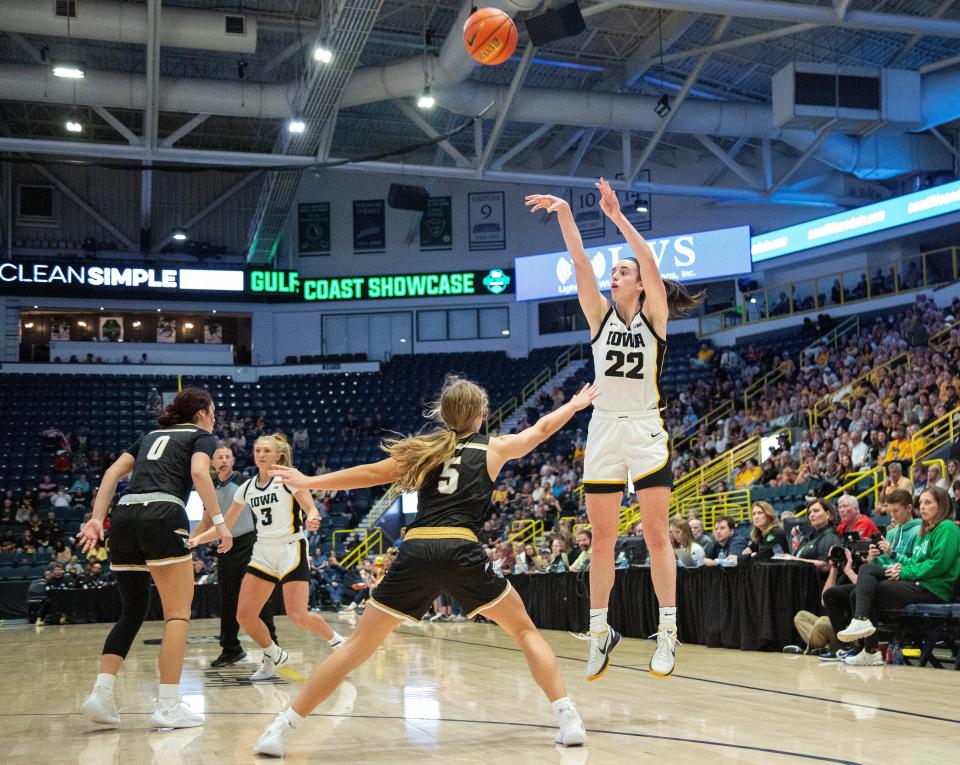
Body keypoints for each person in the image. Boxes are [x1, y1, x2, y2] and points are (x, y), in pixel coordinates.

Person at [251, 376, 598, 756]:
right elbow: (542, 428)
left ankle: (281, 729)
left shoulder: (425, 449)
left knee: (354, 648)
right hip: (461, 548)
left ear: (445, 414)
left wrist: (310, 480)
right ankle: (568, 720)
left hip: (416, 550)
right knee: (525, 631)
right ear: (482, 414)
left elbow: (368, 473)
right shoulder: (494, 447)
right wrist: (575, 405)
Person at [525, 178, 704, 681]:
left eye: (621, 272)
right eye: (615, 271)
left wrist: (617, 216)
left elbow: (649, 260)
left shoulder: (655, 318)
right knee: (600, 540)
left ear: (641, 284)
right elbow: (580, 264)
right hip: (603, 429)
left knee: (654, 536)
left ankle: (668, 631)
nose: (613, 276)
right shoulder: (599, 318)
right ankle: (600, 629)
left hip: (646, 427)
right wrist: (564, 213)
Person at [77, 388, 232, 729]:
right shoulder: (201, 436)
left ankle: (101, 694)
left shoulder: (149, 436)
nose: (215, 416)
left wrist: (94, 518)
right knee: (177, 615)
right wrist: (220, 523)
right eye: (214, 410)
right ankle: (167, 705)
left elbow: (111, 474)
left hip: (124, 516)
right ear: (203, 412)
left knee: (132, 611)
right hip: (163, 513)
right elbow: (198, 473)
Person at [190, 434, 345, 680]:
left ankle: (337, 641)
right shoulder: (247, 487)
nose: (260, 455)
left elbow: (310, 507)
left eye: (266, 451)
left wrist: (313, 517)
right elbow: (225, 524)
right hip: (262, 551)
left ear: (278, 455)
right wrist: (196, 539)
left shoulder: (288, 478)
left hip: (290, 548)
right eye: (257, 450)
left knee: (298, 616)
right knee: (245, 615)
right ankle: (273, 654)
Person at [829, 487, 960, 665]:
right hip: (918, 582)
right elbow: (915, 561)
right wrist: (898, 563)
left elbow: (938, 564)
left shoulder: (947, 528)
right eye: (920, 503)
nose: (922, 507)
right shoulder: (926, 531)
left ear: (942, 504)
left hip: (934, 588)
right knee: (865, 576)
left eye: (928, 502)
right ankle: (868, 645)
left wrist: (904, 571)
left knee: (867, 589)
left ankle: (866, 636)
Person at [190, 445, 277, 668]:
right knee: (227, 600)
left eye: (228, 456)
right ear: (212, 462)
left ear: (233, 461)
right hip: (226, 546)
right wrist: (190, 539)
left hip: (250, 543)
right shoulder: (208, 488)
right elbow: (206, 522)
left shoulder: (244, 480)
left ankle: (272, 646)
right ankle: (231, 650)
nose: (225, 460)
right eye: (220, 456)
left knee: (257, 597)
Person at [869, 489, 921, 568]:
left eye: (896, 511)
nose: (893, 515)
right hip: (889, 573)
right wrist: (874, 559)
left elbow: (916, 565)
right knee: (866, 567)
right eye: (891, 511)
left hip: (904, 575)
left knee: (865, 570)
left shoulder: (919, 531)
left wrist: (893, 554)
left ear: (909, 508)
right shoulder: (891, 533)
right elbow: (884, 560)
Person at [788, 498, 842, 572]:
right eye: (809, 513)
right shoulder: (810, 536)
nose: (811, 515)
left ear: (828, 514)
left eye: (816, 511)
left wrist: (795, 560)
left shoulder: (830, 536)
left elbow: (826, 566)